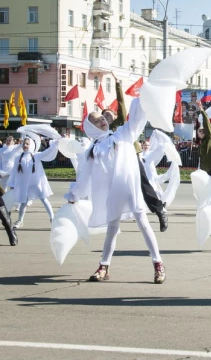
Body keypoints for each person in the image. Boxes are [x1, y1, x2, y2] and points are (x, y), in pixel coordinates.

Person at [66, 98, 166, 284]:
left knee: (143, 224)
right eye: (96, 120)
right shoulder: (92, 150)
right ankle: (104, 267)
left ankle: (158, 264)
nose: (102, 120)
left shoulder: (121, 135)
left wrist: (141, 99)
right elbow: (84, 177)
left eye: (102, 118)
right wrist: (74, 195)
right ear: (91, 127)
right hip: (111, 194)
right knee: (112, 229)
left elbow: (135, 121)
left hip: (129, 189)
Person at [103, 73, 168, 232]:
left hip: (131, 154)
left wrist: (118, 86)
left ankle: (159, 210)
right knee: (112, 189)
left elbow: (121, 104)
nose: (106, 117)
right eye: (103, 115)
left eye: (109, 114)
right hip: (115, 161)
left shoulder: (120, 123)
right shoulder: (104, 131)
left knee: (143, 184)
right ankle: (112, 221)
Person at [7, 137, 59, 228]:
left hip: (35, 184)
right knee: (23, 203)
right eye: (24, 144)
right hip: (25, 185)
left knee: (44, 199)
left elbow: (47, 152)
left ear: (31, 145)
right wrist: (12, 184)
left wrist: (54, 144)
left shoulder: (36, 155)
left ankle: (52, 219)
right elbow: (14, 172)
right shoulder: (18, 158)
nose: (25, 146)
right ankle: (20, 220)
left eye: (27, 144)